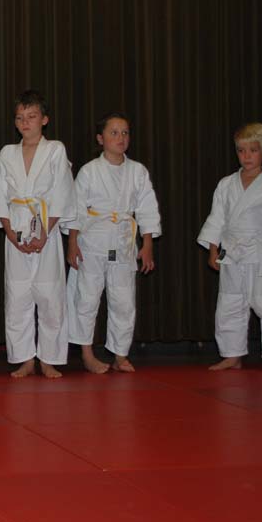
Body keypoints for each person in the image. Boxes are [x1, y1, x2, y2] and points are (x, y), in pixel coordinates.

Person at [0, 89, 75, 378]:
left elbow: (62, 193)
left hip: (45, 228)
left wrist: (45, 233)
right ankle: (24, 358)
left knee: (50, 294)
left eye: (31, 116)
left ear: (44, 120)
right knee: (17, 295)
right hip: (15, 227)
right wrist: (9, 233)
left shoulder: (55, 150)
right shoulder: (6, 153)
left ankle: (49, 358)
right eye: (20, 118)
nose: (25, 122)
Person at [66, 113, 161, 373]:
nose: (121, 138)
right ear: (101, 139)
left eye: (125, 133)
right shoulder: (89, 171)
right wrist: (72, 243)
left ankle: (120, 354)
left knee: (124, 301)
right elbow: (76, 209)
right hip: (92, 241)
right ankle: (87, 353)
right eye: (114, 133)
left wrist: (148, 244)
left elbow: (147, 209)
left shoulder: (137, 171)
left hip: (124, 241)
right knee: (87, 299)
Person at [198, 122, 262, 373]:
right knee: (229, 305)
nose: (247, 156)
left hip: (261, 254)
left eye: (253, 150)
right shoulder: (226, 184)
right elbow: (216, 218)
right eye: (241, 151)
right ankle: (232, 355)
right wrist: (213, 249)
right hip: (231, 253)